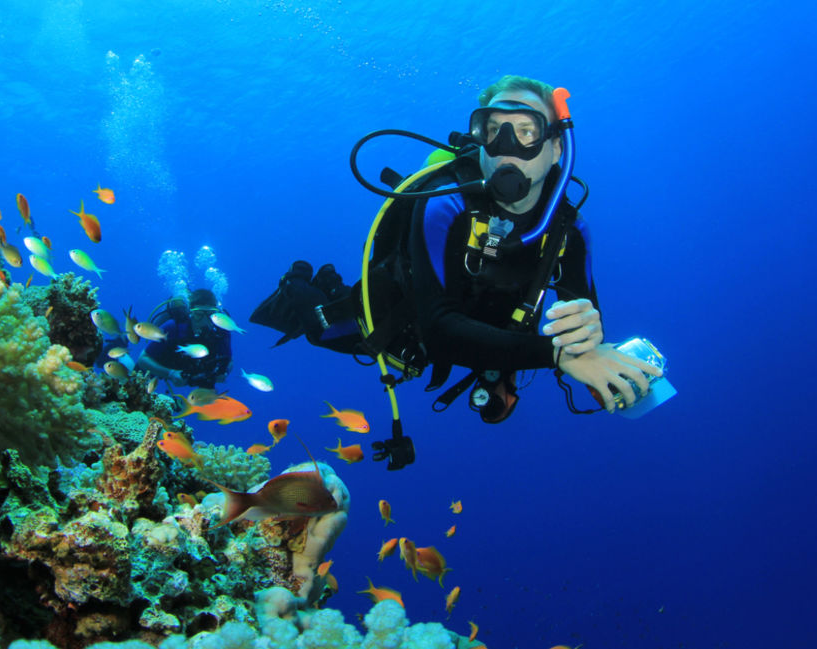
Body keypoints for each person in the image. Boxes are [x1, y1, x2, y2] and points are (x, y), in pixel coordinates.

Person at [253, 75, 661, 425]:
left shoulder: (569, 231)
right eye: (492, 129)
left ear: (557, 148)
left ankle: (326, 282)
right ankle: (300, 284)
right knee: (319, 330)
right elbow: (440, 330)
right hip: (399, 317)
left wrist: (587, 334)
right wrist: (555, 355)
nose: (506, 146)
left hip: (482, 326)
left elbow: (579, 330)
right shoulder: (444, 204)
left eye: (526, 131)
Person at [135, 288, 233, 388]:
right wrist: (170, 374)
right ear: (191, 312)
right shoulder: (174, 327)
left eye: (210, 315)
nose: (204, 321)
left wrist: (224, 373)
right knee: (136, 383)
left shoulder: (222, 330)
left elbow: (229, 360)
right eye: (199, 315)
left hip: (195, 369)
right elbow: (143, 359)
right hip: (167, 363)